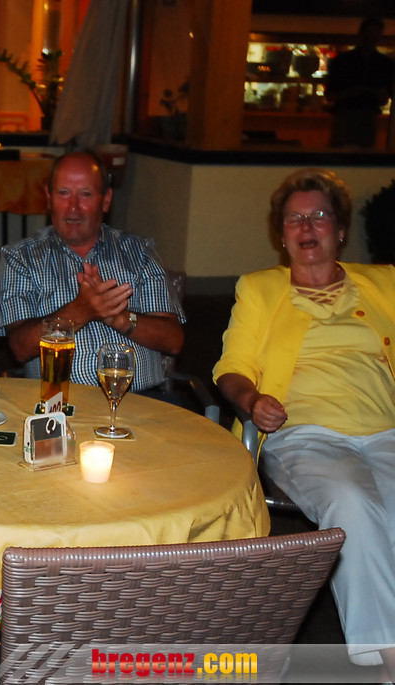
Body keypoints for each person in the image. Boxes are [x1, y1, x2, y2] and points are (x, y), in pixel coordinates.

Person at [214, 168, 395, 670]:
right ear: (282, 234)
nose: (307, 226)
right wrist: (252, 400)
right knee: (352, 502)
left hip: (386, 429)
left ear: (341, 229)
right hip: (305, 434)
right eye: (295, 219)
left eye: (319, 215)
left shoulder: (385, 283)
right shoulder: (260, 289)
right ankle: (388, 656)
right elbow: (231, 369)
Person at [0, 150, 184, 394]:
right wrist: (80, 311)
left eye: (86, 194)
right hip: (58, 404)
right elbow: (20, 347)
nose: (73, 208)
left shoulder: (139, 252)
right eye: (63, 193)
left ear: (106, 200)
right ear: (48, 198)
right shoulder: (20, 257)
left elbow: (173, 341)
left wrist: (119, 318)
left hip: (139, 401)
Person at [326, 17, 395, 148]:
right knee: (356, 153)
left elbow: (330, 95)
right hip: (354, 115)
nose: (371, 41)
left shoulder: (343, 61)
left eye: (374, 37)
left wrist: (355, 91)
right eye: (369, 37)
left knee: (346, 153)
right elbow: (330, 95)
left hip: (360, 116)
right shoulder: (384, 63)